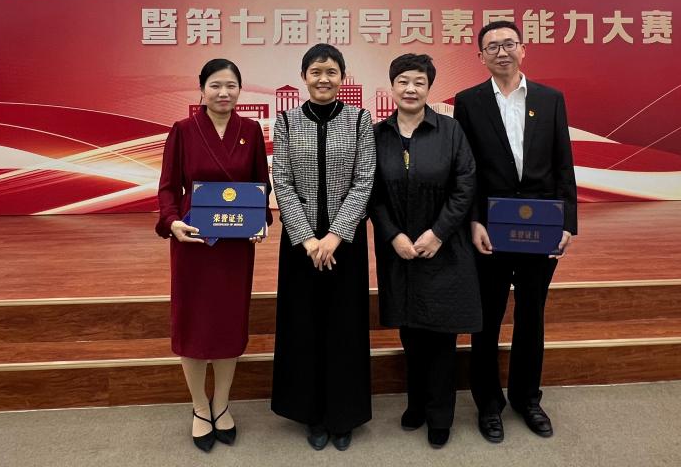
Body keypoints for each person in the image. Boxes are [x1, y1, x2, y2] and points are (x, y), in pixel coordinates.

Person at [453, 21, 578, 443]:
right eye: (492, 47)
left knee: (531, 316)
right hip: (490, 230)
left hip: (541, 229)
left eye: (509, 44)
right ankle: (488, 404)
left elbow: (563, 162)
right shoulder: (468, 102)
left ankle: (527, 398)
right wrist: (473, 220)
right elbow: (465, 169)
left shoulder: (549, 99)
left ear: (523, 49)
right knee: (486, 319)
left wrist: (567, 223)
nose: (501, 52)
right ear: (480, 56)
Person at [156, 58, 271, 452]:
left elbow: (261, 184)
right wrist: (171, 222)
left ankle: (221, 403)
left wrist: (260, 221)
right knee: (194, 323)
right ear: (202, 88)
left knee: (228, 322)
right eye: (216, 85)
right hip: (194, 242)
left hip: (235, 247)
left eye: (231, 86)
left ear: (240, 90)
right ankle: (199, 405)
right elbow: (168, 187)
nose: (224, 93)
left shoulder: (250, 130)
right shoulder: (183, 130)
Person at [371, 53, 481, 449]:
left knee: (441, 335)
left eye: (419, 82)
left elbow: (465, 184)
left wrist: (438, 233)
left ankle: (440, 414)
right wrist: (393, 235)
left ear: (429, 88)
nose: (410, 88)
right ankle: (415, 403)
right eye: (403, 81)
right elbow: (371, 192)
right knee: (410, 331)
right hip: (399, 251)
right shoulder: (377, 134)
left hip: (444, 249)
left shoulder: (450, 130)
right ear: (392, 87)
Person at [270, 43, 376, 452]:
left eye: (331, 72)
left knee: (345, 327)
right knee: (303, 326)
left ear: (342, 77)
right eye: (315, 72)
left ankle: (343, 414)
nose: (323, 79)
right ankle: (311, 413)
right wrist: (308, 238)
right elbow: (282, 181)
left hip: (344, 243)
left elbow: (364, 181)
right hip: (301, 245)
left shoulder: (360, 119)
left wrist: (335, 235)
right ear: (304, 77)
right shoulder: (286, 121)